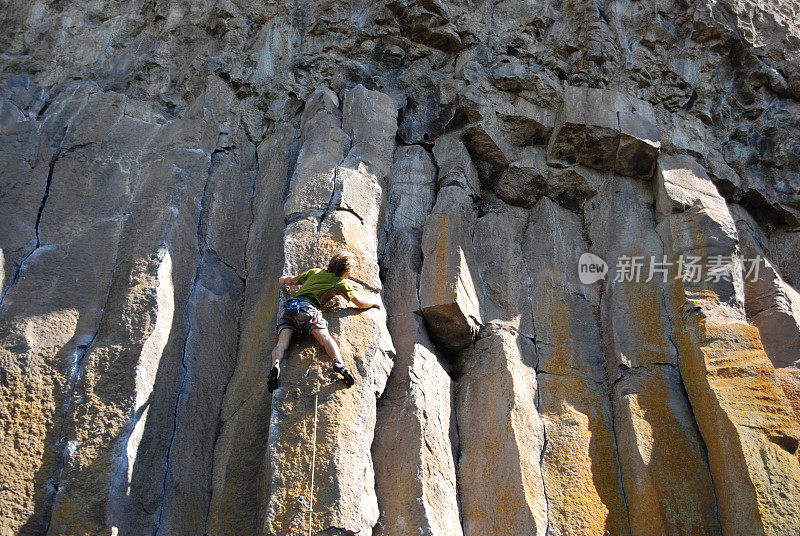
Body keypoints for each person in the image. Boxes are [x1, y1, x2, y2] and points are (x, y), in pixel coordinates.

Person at [268, 251, 381, 393]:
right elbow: (359, 303)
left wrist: (281, 279)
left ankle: (275, 365)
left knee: (282, 344)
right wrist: (373, 304)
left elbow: (291, 281)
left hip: (291, 308)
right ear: (346, 271)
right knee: (325, 338)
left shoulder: (315, 272)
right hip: (309, 309)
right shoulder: (339, 282)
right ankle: (338, 363)